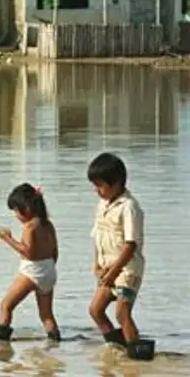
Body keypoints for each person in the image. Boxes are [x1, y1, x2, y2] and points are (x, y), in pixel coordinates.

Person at [86, 153, 148, 357]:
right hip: (107, 268)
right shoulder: (103, 204)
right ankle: (117, 345)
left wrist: (114, 271)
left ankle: (136, 355)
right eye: (94, 185)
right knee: (96, 309)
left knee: (122, 313)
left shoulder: (129, 207)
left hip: (127, 270)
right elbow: (97, 236)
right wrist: (97, 264)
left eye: (100, 185)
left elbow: (130, 244)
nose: (96, 190)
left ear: (116, 183)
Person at [0, 183, 61, 342]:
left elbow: (28, 252)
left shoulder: (30, 227)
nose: (16, 215)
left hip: (32, 271)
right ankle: (55, 342)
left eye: (16, 211)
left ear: (27, 208)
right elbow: (55, 252)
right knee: (46, 314)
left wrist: (8, 239)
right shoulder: (47, 224)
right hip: (49, 270)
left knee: (6, 306)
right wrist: (48, 269)